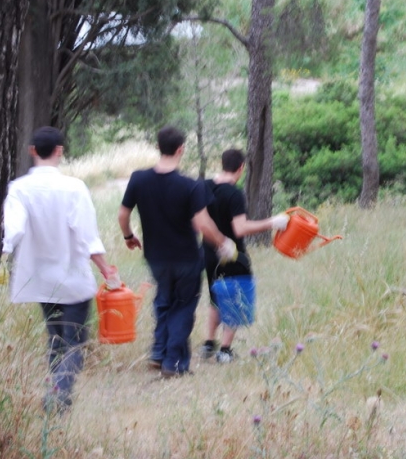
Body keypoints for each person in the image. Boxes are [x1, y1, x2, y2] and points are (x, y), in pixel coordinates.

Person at [2, 126, 117, 414]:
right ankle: (59, 396)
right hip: (73, 279)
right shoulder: (74, 188)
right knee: (75, 342)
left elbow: (12, 231)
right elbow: (87, 236)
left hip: (42, 280)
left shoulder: (18, 189)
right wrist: (106, 269)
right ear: (60, 151)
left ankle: (54, 391)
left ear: (32, 151)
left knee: (55, 339)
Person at [118, 126, 236, 377]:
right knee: (182, 307)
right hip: (186, 258)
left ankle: (159, 352)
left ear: (158, 146)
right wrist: (222, 243)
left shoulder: (138, 179)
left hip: (155, 256)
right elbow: (203, 224)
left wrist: (129, 236)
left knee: (164, 300)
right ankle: (174, 363)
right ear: (181, 149)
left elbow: (123, 214)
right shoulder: (190, 185)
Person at [200, 149, 289, 363]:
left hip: (209, 252)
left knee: (215, 297)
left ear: (222, 164)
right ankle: (225, 350)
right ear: (241, 168)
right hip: (232, 255)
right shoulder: (234, 193)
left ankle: (208, 343)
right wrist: (272, 222)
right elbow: (240, 228)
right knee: (236, 298)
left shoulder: (205, 186)